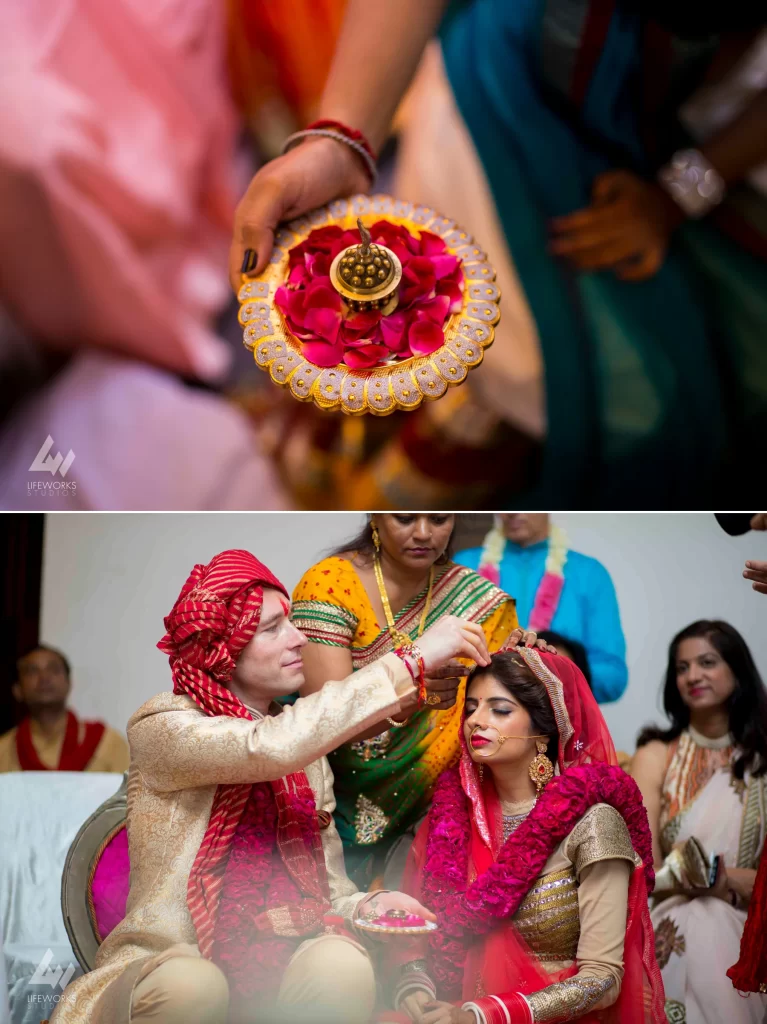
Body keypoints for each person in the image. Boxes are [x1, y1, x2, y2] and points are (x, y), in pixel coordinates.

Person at [230, 1, 767, 508]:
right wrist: (341, 136)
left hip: (687, 138)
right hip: (499, 90)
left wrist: (684, 190)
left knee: (598, 389)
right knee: (406, 332)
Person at [50, 549, 494, 1024]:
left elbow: (330, 890)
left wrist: (370, 903)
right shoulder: (164, 725)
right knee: (195, 985)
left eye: (292, 622)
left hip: (281, 957)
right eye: (272, 628)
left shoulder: (305, 751)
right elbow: (264, 748)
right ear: (223, 648)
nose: (299, 638)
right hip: (172, 959)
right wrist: (412, 660)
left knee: (341, 964)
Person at [389, 646, 665, 1023]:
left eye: (500, 710)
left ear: (544, 730)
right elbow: (413, 932)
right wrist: (415, 988)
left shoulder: (593, 824)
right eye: (471, 708)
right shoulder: (450, 821)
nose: (476, 721)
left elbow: (603, 979)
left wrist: (483, 1017)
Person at [290, 513, 524, 885]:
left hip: (433, 807)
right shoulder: (331, 584)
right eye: (404, 518)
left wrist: (536, 664)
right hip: (330, 799)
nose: (423, 533)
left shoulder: (479, 602)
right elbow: (324, 720)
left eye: (439, 519)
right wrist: (413, 693)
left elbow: (504, 708)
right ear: (374, 516)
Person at [631, 620, 767, 1023]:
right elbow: (644, 869)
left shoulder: (762, 759)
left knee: (716, 919)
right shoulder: (656, 754)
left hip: (751, 916)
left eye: (707, 662)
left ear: (737, 670)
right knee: (704, 920)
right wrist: (697, 879)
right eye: (682, 667)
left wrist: (727, 882)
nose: (692, 676)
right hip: (668, 913)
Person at [456, 514, 627, 703]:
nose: (512, 513)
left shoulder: (589, 573)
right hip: (477, 715)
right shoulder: (465, 567)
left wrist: (549, 673)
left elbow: (612, 677)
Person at [0, 645, 129, 773]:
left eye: (54, 670)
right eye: (33, 671)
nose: (44, 678)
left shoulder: (108, 743)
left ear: (69, 683)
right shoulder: (3, 750)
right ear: (17, 690)